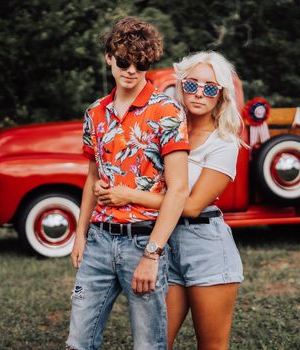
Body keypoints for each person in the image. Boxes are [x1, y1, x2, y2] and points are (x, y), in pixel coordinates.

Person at [95, 51, 245, 349]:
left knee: (211, 345)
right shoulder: (165, 130)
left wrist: (128, 195)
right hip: (162, 242)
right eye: (192, 85)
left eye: (210, 88)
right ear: (180, 85)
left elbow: (189, 205)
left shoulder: (224, 143)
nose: (199, 93)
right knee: (155, 342)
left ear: (221, 95)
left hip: (205, 246)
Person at [66, 17, 190, 350]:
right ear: (109, 57)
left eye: (141, 63)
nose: (131, 70)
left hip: (144, 241)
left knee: (148, 345)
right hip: (98, 241)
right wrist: (79, 235)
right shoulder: (95, 112)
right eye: (123, 61)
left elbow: (179, 189)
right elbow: (93, 175)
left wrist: (152, 254)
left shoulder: (168, 111)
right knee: (78, 342)